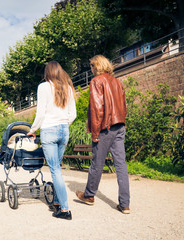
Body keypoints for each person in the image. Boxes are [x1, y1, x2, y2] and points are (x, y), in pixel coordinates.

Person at [75, 55, 130, 214]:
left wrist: (95, 133)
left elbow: (97, 109)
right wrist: (120, 121)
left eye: (91, 67)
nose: (91, 70)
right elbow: (124, 106)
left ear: (96, 66)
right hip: (119, 125)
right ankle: (125, 204)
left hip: (105, 127)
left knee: (97, 163)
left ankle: (89, 195)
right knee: (121, 165)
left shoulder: (97, 81)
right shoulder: (117, 82)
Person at [27, 61, 76, 220]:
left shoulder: (43, 87)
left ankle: (65, 210)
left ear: (47, 72)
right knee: (58, 170)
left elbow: (40, 113)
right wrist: (64, 124)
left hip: (49, 130)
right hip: (64, 130)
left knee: (55, 170)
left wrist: (33, 129)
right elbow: (73, 114)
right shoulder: (67, 87)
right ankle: (57, 201)